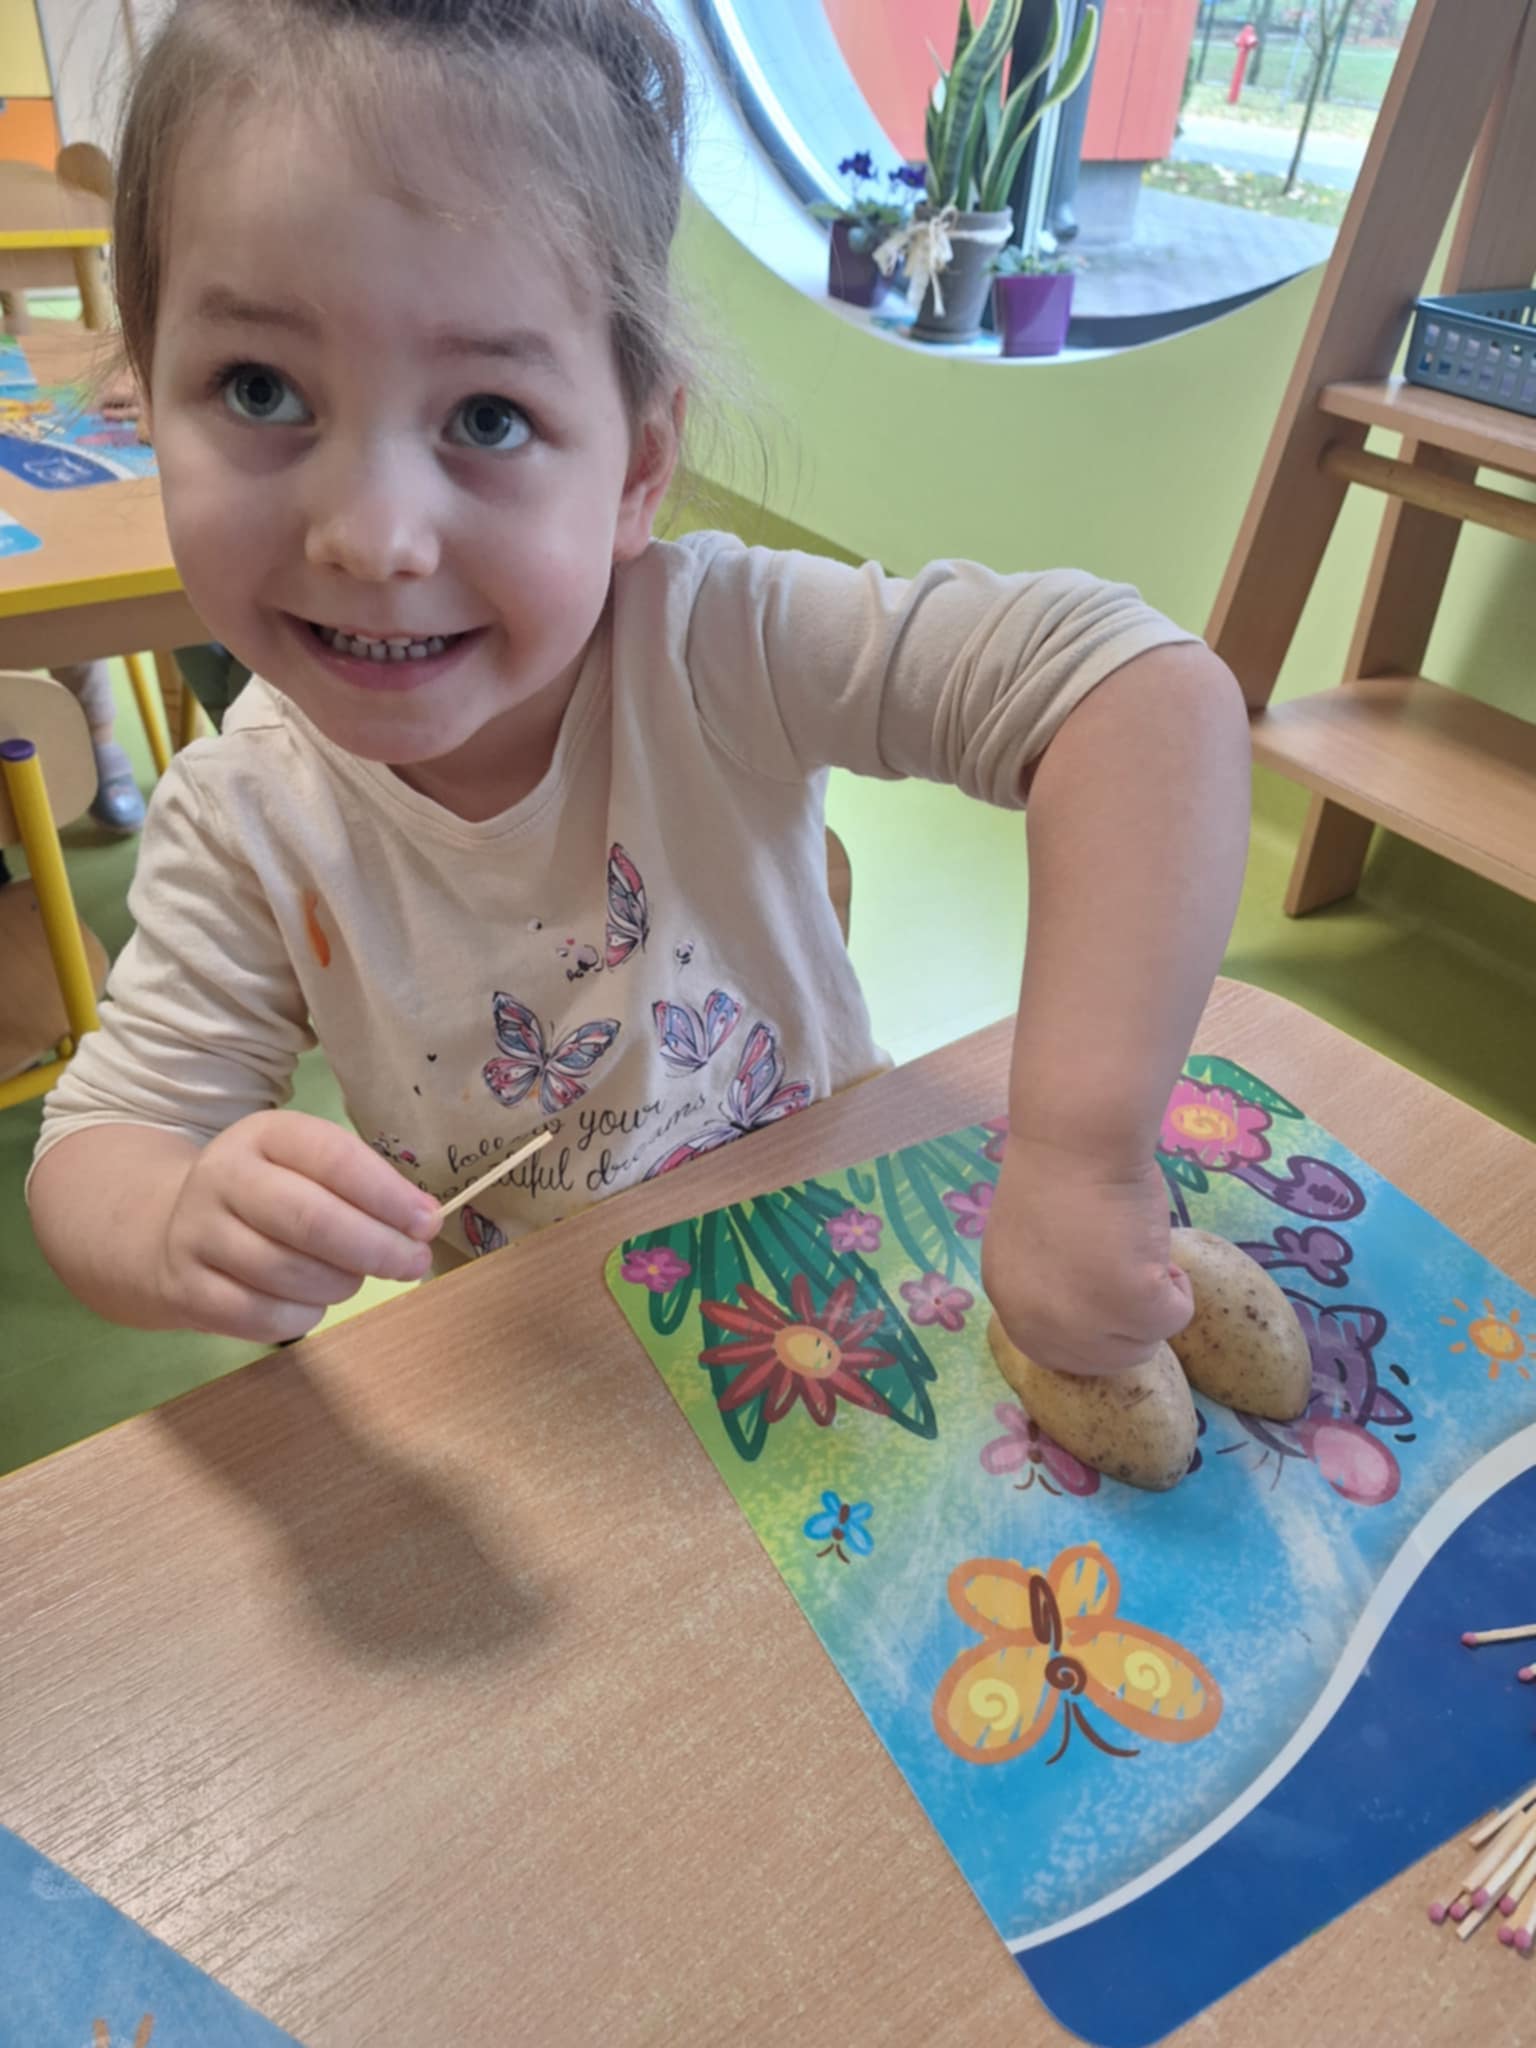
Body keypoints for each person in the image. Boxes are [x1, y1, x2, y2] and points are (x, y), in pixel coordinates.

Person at [27, 0, 1251, 1381]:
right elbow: (99, 1146)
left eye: (487, 417)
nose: (372, 539)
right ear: (146, 402)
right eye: (260, 389)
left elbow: (1135, 691)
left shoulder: (717, 645)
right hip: (562, 1370)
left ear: (637, 468)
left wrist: (1085, 1153)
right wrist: (177, 1222)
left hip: (847, 1279)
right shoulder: (245, 820)